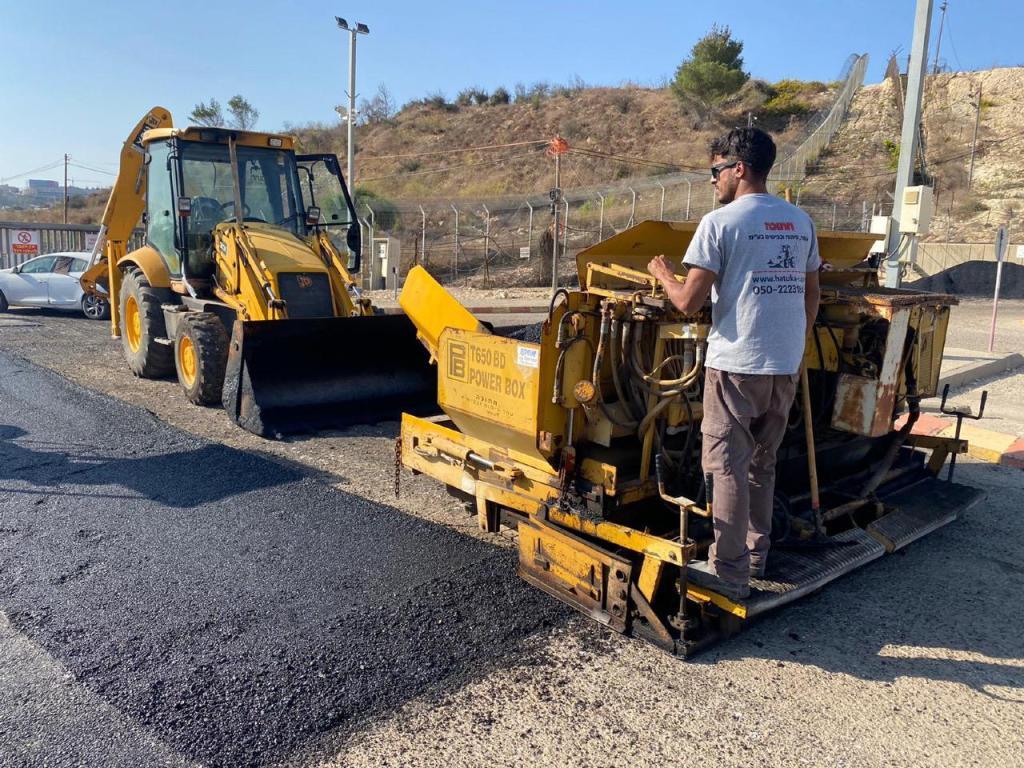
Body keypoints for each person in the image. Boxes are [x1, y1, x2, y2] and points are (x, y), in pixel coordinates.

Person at [647, 127, 821, 601]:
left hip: (735, 366)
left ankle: (728, 573)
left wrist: (663, 274)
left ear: (738, 169)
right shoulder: (800, 221)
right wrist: (793, 344)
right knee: (761, 465)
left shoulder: (720, 223)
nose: (712, 181)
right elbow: (812, 294)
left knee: (726, 468)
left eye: (715, 171)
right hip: (783, 366)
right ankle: (756, 553)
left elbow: (686, 302)